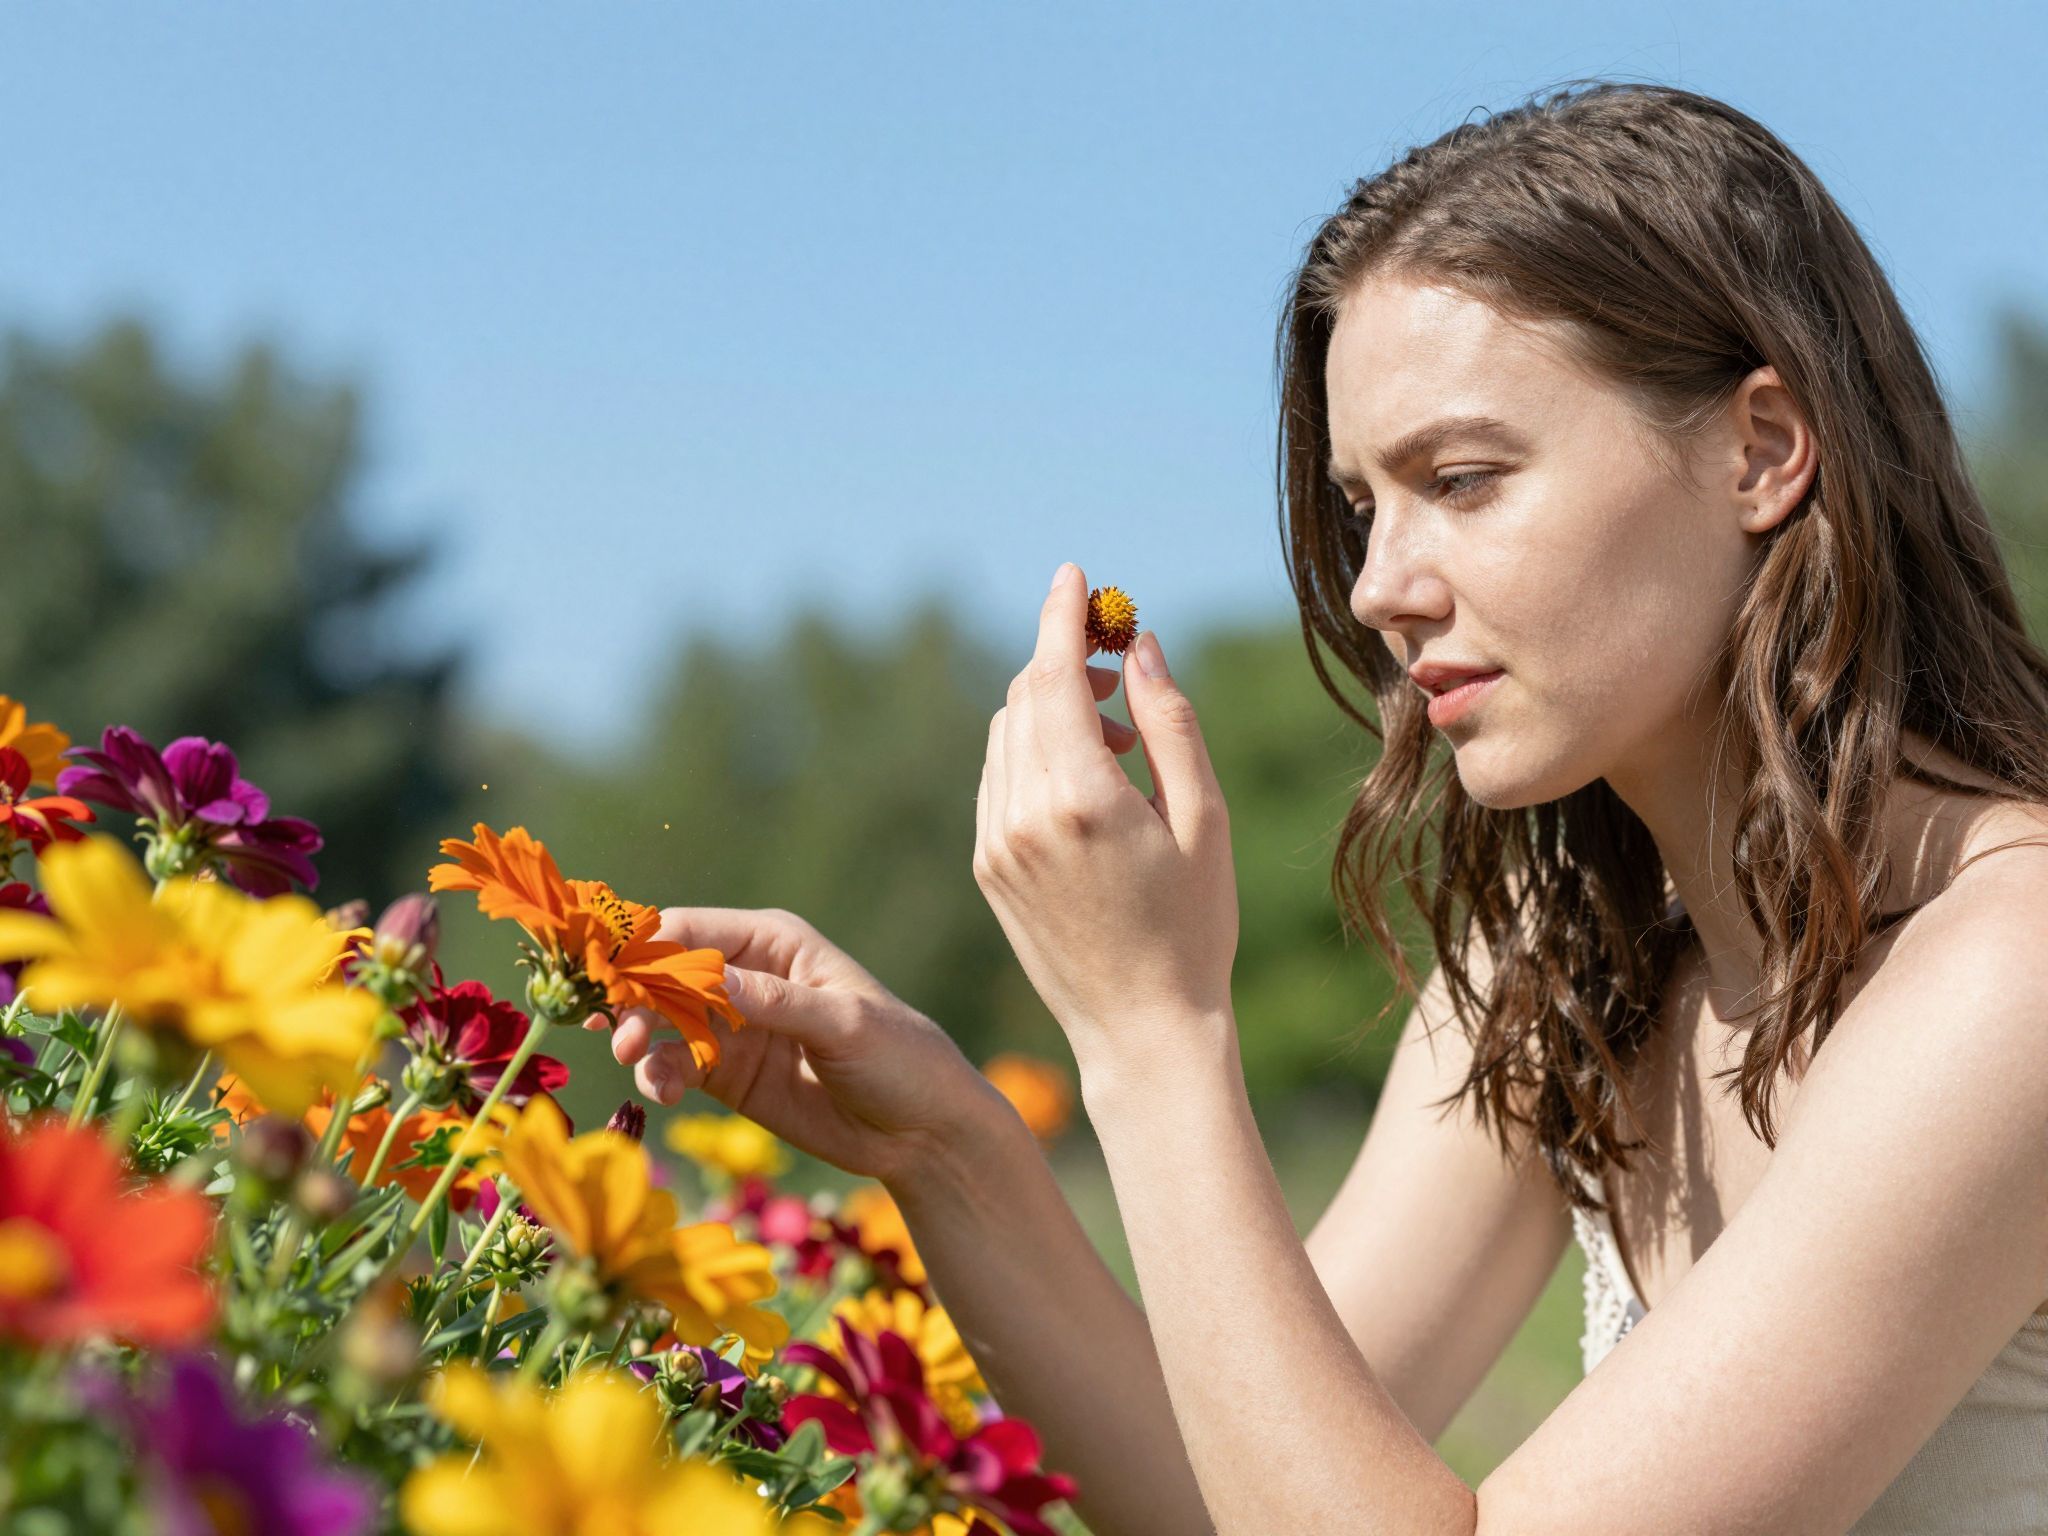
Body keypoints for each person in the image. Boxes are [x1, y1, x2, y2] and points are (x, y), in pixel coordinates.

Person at [592, 80, 2048, 1534]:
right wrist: (947, 1150)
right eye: (1365, 506)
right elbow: (1237, 1492)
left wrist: (1155, 1032)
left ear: (1762, 451)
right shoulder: (1566, 967)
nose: (1378, 588)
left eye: (1463, 479)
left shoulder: (2010, 971)